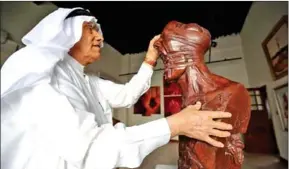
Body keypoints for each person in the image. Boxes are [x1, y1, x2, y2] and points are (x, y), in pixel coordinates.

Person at [1, 7, 233, 169]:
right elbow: (92, 149)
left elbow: (127, 95)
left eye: (99, 31)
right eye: (90, 29)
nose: (100, 37)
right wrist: (176, 124)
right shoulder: (43, 80)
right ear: (66, 33)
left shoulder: (87, 81)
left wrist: (150, 59)